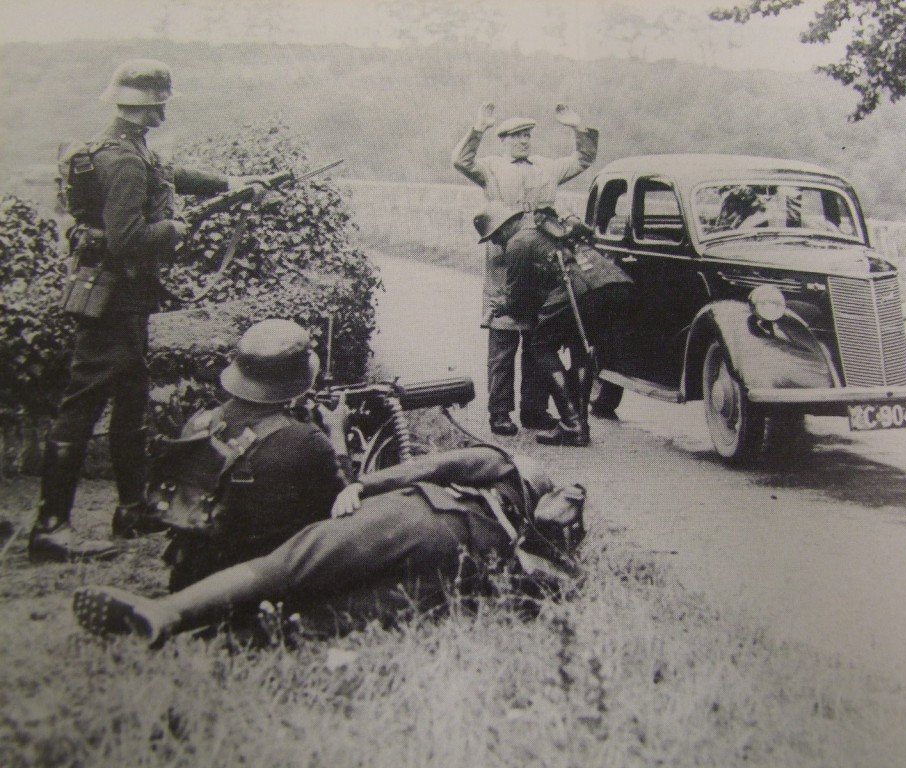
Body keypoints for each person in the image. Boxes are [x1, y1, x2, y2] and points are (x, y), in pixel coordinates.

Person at [29, 59, 259, 562]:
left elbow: (170, 174)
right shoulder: (125, 161)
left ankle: (134, 510)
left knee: (131, 404)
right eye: (160, 104)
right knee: (81, 408)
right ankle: (50, 528)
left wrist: (232, 182)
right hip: (112, 301)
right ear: (151, 106)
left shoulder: (124, 147)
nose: (163, 112)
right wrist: (174, 230)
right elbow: (127, 239)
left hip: (124, 300)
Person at [72, 445, 586, 647]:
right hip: (453, 562)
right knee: (328, 613)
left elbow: (429, 468)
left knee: (288, 573)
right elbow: (542, 591)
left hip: (419, 518)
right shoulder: (536, 525)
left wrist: (366, 484)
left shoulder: (506, 466)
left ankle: (174, 617)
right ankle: (208, 634)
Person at [157, 318, 348, 590]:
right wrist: (337, 434)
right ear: (296, 380)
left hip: (193, 580)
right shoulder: (307, 441)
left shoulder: (200, 423)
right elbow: (346, 508)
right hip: (263, 586)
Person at [452, 102, 599, 437]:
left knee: (537, 336)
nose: (522, 141)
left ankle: (535, 410)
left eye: (527, 135)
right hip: (505, 259)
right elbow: (461, 161)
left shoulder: (547, 167)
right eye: (516, 136)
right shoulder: (490, 168)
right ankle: (500, 413)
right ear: (503, 141)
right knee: (503, 338)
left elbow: (583, 159)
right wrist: (478, 129)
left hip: (542, 261)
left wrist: (578, 127)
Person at [474, 205, 633, 447]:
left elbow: (518, 299)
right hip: (611, 282)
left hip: (576, 288)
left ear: (504, 227)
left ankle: (572, 424)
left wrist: (503, 306)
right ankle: (580, 426)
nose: (496, 243)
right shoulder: (546, 227)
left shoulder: (518, 242)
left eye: (495, 237)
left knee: (541, 347)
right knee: (581, 348)